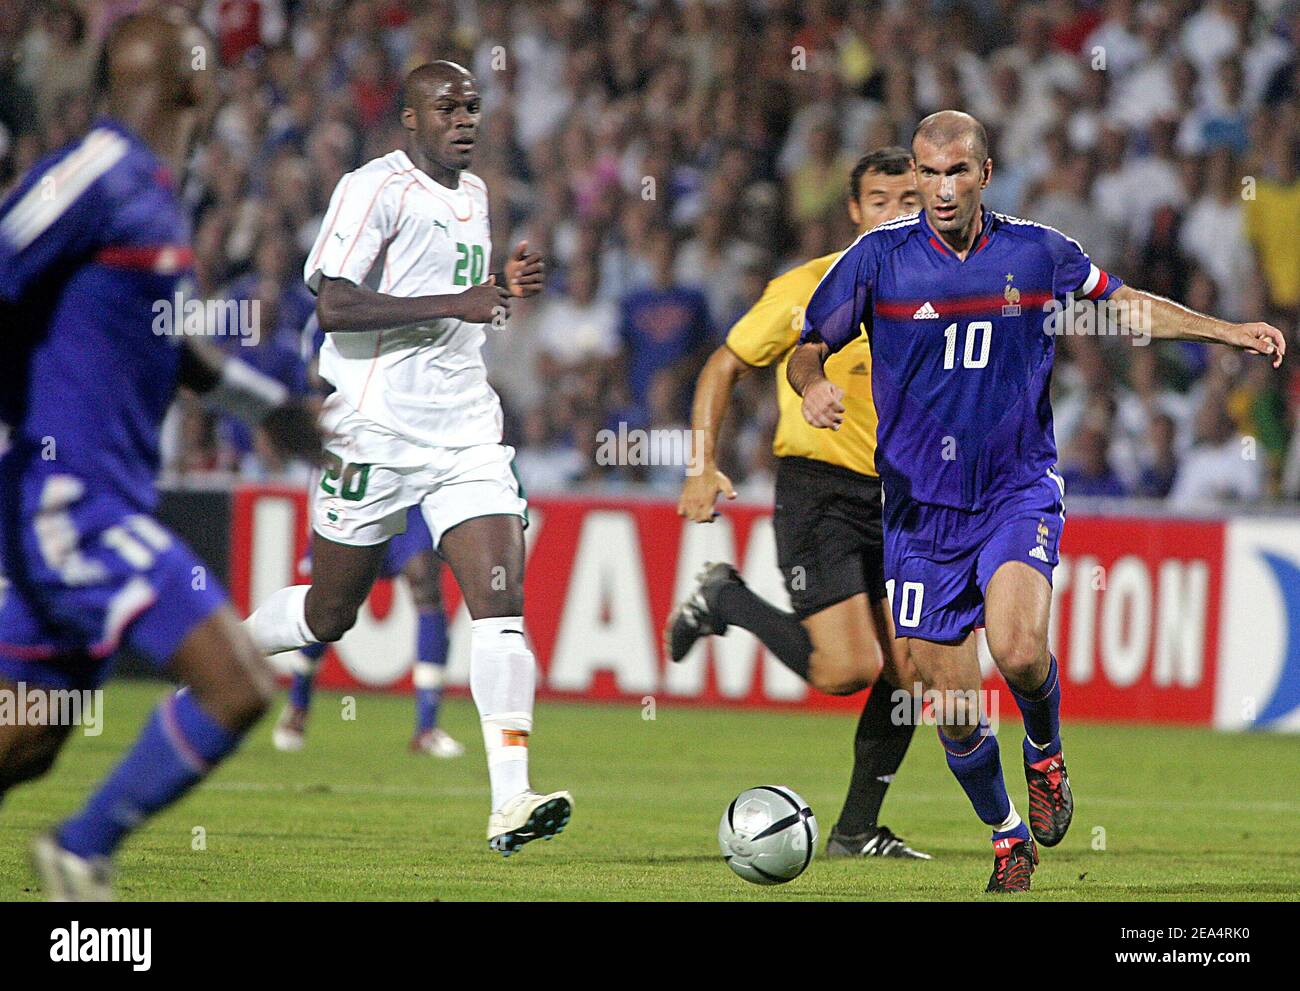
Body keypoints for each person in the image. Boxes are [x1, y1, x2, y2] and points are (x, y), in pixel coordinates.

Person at [791, 110, 1285, 892]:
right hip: (920, 510)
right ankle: (1006, 833)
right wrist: (815, 382)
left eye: (957, 171)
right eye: (927, 172)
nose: (941, 188)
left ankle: (1046, 753)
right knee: (949, 706)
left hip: (1015, 488)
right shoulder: (876, 260)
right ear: (913, 177)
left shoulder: (1038, 252)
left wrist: (1227, 331)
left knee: (1019, 650)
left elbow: (1123, 305)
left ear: (985, 174)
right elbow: (808, 344)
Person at [0, 11, 319, 900]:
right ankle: (81, 853)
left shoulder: (150, 188)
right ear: (187, 72)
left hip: (100, 498)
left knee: (25, 739)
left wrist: (274, 413)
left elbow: (176, 346)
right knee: (239, 682)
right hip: (71, 501)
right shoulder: (97, 172)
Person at [243, 61, 570, 857]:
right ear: (411, 119)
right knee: (330, 613)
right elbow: (335, 305)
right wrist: (457, 301)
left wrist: (497, 290)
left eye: (472, 105)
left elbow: (464, 309)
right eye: (446, 106)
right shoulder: (372, 187)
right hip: (373, 432)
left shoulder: (479, 195)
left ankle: (510, 799)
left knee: (500, 602)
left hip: (464, 432)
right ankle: (223, 650)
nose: (464, 118)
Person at [666, 147, 929, 860]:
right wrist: (701, 466)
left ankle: (854, 830)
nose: (896, 211)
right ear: (855, 210)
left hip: (909, 499)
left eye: (909, 196)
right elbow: (724, 364)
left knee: (912, 674)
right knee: (846, 671)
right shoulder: (811, 287)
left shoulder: (948, 293)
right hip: (822, 493)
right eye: (880, 199)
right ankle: (727, 600)